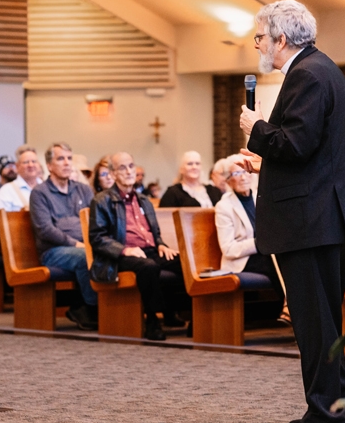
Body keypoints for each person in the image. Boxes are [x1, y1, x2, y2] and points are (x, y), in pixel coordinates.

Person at [238, 0, 345, 423]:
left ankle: (326, 418)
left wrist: (256, 128)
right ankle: (344, 407)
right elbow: (314, 153)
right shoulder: (323, 68)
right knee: (324, 319)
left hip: (311, 220)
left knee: (313, 322)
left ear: (281, 38)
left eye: (260, 37)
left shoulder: (306, 75)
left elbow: (294, 144)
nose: (258, 46)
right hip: (324, 214)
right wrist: (263, 167)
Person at [88, 152, 186, 341]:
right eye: (122, 168)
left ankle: (176, 313)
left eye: (131, 166)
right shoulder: (101, 200)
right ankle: (152, 320)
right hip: (119, 255)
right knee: (149, 267)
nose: (128, 171)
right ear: (113, 173)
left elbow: (154, 232)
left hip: (149, 250)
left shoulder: (144, 200)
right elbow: (97, 238)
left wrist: (161, 245)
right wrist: (125, 250)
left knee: (182, 262)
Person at [29, 142, 98, 330]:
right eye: (61, 159)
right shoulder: (40, 193)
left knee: (110, 253)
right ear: (49, 166)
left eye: (69, 158)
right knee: (85, 257)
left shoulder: (83, 190)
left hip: (84, 245)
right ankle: (93, 309)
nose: (67, 163)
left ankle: (105, 306)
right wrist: (75, 243)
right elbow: (45, 229)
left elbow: (95, 222)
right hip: (53, 251)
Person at [214, 154, 288, 323]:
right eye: (236, 174)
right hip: (242, 260)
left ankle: (293, 306)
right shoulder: (224, 207)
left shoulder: (261, 197)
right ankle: (291, 306)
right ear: (228, 179)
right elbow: (228, 248)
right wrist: (259, 243)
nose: (243, 177)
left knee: (288, 259)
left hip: (266, 253)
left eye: (246, 172)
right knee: (271, 261)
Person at [0, 147, 43, 226]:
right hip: (21, 236)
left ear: (39, 165)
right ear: (17, 166)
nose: (31, 165)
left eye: (34, 161)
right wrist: (20, 216)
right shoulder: (7, 191)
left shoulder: (48, 188)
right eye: (26, 162)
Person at [158, 151, 222, 208]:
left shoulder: (213, 191)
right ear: (181, 169)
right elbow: (165, 217)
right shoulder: (172, 193)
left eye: (197, 164)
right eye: (190, 164)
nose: (194, 167)